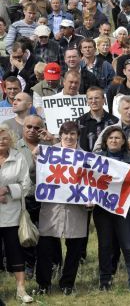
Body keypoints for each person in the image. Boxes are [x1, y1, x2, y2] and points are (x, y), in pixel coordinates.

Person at [36, 121, 89, 296]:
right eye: (65, 134)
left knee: (74, 249)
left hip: (76, 209)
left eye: (73, 134)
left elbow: (92, 184)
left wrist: (91, 199)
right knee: (45, 247)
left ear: (77, 136)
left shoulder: (87, 158)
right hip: (52, 209)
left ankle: (67, 283)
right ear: (60, 135)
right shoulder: (48, 153)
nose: (68, 137)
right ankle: (43, 284)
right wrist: (36, 154)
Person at [92, 126, 130, 294]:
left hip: (123, 209)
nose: (114, 140)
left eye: (118, 138)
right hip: (102, 209)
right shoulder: (96, 159)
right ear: (105, 141)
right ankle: (105, 279)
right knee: (105, 245)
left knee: (128, 245)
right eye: (111, 138)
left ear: (123, 142)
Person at [0, 125, 33, 303]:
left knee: (15, 252)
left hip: (12, 215)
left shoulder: (18, 157)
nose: (1, 141)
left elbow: (26, 185)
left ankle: (21, 290)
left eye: (4, 138)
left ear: (10, 140)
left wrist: (8, 189)